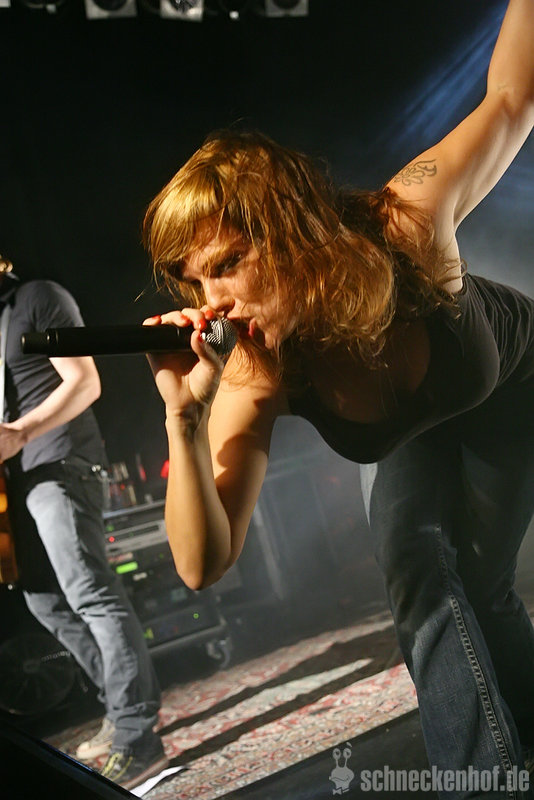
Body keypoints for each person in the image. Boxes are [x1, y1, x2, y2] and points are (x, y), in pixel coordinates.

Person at [142, 0, 534, 797]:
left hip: (512, 388)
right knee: (415, 562)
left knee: (486, 585)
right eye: (196, 280)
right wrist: (182, 417)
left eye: (229, 262)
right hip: (413, 433)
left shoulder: (405, 226)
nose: (213, 301)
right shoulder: (257, 369)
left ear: (289, 227)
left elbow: (511, 99)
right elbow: (202, 563)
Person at [0, 257, 167, 790]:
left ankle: (138, 736)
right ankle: (119, 710)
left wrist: (21, 432)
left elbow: (85, 382)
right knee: (43, 600)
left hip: (60, 460)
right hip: (18, 478)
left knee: (90, 592)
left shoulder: (39, 297)